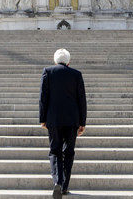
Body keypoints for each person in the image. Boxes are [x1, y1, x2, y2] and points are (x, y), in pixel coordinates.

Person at [39, 48, 87, 198]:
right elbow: (82, 100)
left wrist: (42, 118)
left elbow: (43, 97)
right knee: (69, 152)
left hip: (53, 119)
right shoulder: (76, 74)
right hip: (72, 120)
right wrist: (82, 122)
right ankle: (65, 186)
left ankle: (57, 182)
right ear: (69, 61)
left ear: (55, 60)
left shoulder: (48, 71)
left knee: (55, 151)